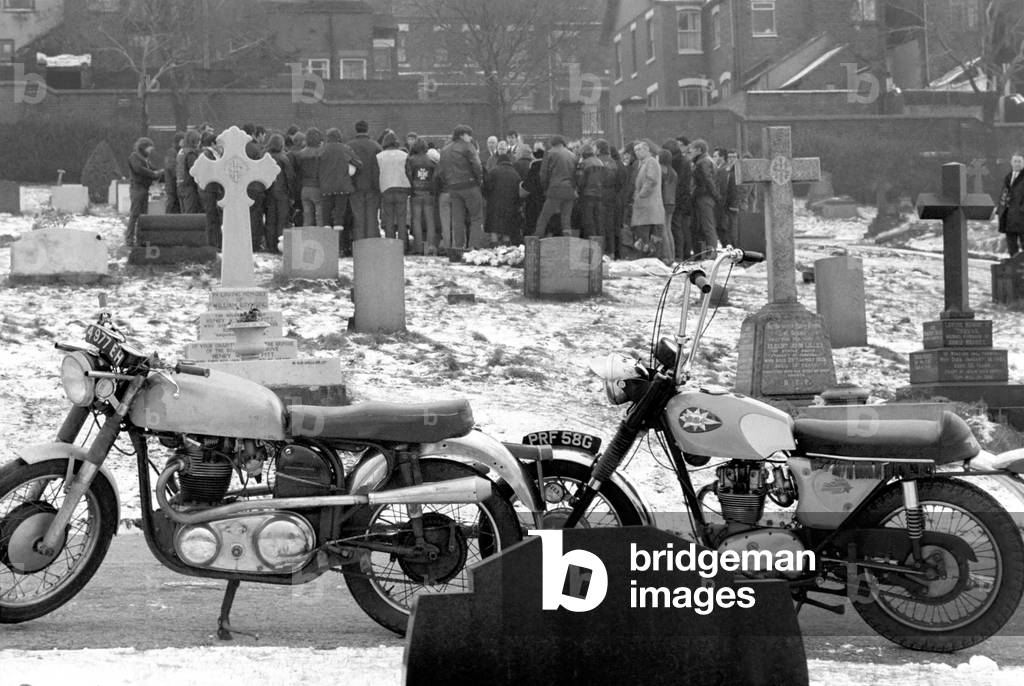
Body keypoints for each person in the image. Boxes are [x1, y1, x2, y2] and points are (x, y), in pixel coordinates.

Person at [437, 124, 485, 249]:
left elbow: (440, 171)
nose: (471, 138)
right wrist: (479, 180)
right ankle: (473, 248)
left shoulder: (444, 150)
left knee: (457, 219)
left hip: (453, 187)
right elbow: (477, 165)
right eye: (469, 135)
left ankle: (458, 248)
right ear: (463, 135)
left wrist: (449, 182)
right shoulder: (468, 146)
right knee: (476, 217)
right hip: (470, 185)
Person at [534, 135, 577, 237]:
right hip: (569, 190)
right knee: (566, 220)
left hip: (555, 189)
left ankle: (535, 241)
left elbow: (543, 174)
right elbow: (575, 174)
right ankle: (568, 243)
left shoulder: (549, 153)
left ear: (552, 143)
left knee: (544, 217)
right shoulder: (572, 155)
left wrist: (545, 188)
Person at [319, 128, 360, 235]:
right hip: (342, 186)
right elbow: (359, 163)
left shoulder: (322, 150)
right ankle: (340, 243)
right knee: (339, 217)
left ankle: (327, 241)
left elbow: (316, 168)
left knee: (326, 218)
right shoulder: (345, 149)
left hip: (325, 186)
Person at [126, 137, 163, 247]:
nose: (152, 149)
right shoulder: (135, 157)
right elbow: (139, 169)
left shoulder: (145, 159)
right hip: (137, 188)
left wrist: (160, 172)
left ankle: (140, 238)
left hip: (143, 188)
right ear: (144, 147)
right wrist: (154, 174)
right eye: (150, 147)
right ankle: (129, 239)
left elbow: (153, 168)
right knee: (135, 214)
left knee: (143, 214)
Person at [349, 120, 383, 240]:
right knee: (372, 217)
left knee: (358, 217)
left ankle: (359, 243)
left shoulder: (349, 146)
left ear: (356, 129)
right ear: (367, 129)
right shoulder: (376, 146)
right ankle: (371, 244)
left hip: (355, 187)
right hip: (372, 187)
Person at [631, 140, 665, 257]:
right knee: (643, 235)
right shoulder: (643, 163)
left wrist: (640, 195)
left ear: (647, 150)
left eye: (639, 149)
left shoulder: (651, 162)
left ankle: (649, 258)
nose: (637, 152)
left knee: (647, 237)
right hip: (645, 207)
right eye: (635, 150)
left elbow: (651, 180)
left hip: (649, 205)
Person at [482, 148, 523, 244]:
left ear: (498, 162)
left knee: (494, 229)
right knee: (506, 231)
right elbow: (519, 193)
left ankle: (494, 251)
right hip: (510, 206)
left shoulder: (493, 172)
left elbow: (485, 187)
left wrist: (488, 198)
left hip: (494, 205)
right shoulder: (515, 174)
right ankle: (506, 252)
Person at [377, 131, 411, 242]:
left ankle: (390, 244)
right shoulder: (404, 155)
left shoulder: (379, 157)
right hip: (402, 188)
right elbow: (409, 172)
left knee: (389, 219)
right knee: (402, 218)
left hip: (386, 189)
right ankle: (403, 244)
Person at [406, 139, 438, 254]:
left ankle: (418, 248)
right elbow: (435, 178)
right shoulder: (432, 161)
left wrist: (412, 188)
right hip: (429, 194)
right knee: (430, 220)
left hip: (416, 193)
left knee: (416, 220)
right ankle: (430, 247)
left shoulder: (410, 160)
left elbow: (408, 175)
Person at [689, 139, 720, 254]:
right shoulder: (706, 160)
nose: (690, 152)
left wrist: (715, 195)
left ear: (699, 150)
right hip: (705, 196)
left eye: (692, 149)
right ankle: (708, 253)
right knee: (704, 226)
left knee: (708, 226)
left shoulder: (702, 162)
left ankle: (712, 254)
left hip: (704, 197)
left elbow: (708, 180)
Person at [265, 133, 295, 254]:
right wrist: (292, 194)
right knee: (282, 220)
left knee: (270, 219)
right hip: (282, 192)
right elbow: (290, 177)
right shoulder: (284, 158)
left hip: (268, 192)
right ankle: (280, 245)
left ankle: (270, 245)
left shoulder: (265, 157)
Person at [197, 131, 224, 249]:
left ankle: (216, 242)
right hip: (209, 190)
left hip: (212, 189)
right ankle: (212, 243)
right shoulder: (207, 154)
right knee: (211, 217)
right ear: (213, 143)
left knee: (214, 217)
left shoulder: (210, 154)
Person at [293, 127, 324, 228]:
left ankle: (307, 241)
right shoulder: (321, 153)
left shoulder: (300, 154)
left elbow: (297, 172)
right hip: (318, 187)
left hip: (304, 188)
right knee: (320, 217)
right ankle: (320, 239)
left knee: (307, 218)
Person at [577, 143, 606, 240]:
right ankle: (600, 244)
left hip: (587, 195)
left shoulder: (584, 163)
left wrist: (578, 191)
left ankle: (591, 243)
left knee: (589, 221)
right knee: (598, 221)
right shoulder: (600, 162)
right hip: (600, 195)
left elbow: (580, 181)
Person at [998, 152, 1024, 257]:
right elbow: (1003, 195)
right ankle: (1014, 269)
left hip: (1022, 218)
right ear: (1011, 162)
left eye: (1019, 161)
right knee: (1012, 247)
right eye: (1015, 161)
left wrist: (1021, 210)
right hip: (1008, 218)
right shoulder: (1008, 178)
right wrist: (1000, 210)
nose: (1017, 164)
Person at [174, 130, 202, 215]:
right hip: (189, 187)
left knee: (183, 213)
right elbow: (194, 171)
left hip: (180, 186)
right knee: (190, 214)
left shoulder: (181, 152)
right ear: (195, 141)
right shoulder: (191, 154)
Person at [658, 148, 678, 263]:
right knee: (668, 229)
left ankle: (667, 256)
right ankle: (672, 255)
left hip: (663, 202)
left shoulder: (661, 171)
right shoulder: (673, 172)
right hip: (671, 202)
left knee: (663, 229)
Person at [163, 132, 185, 214]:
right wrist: (180, 176)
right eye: (183, 140)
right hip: (172, 185)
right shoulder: (172, 152)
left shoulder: (179, 152)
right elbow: (171, 167)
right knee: (171, 204)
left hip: (176, 184)